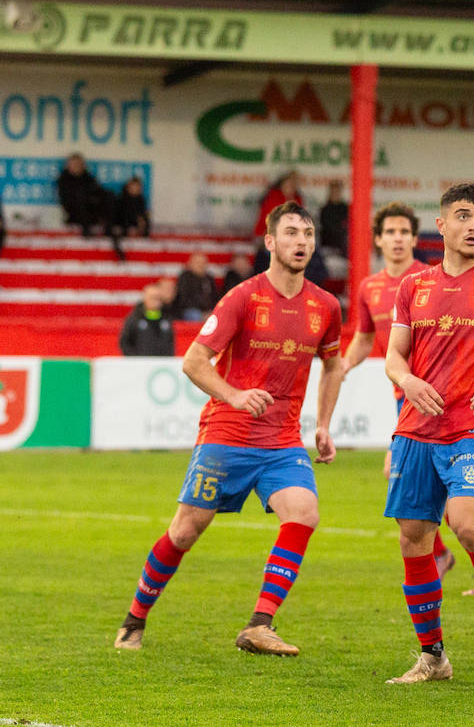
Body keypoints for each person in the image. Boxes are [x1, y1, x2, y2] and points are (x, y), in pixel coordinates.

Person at [113, 202, 344, 655]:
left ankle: (260, 623)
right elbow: (193, 361)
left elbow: (334, 364)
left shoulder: (325, 305)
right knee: (184, 532)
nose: (302, 242)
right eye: (292, 233)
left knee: (304, 512)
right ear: (270, 242)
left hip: (280, 441)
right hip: (227, 435)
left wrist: (324, 424)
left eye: (308, 234)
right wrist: (235, 395)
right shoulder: (243, 296)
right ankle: (134, 619)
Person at [384, 184, 474, 682]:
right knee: (414, 538)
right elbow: (393, 357)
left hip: (471, 427)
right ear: (442, 225)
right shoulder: (413, 287)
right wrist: (407, 380)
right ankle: (433, 657)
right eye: (463, 216)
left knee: (468, 526)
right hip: (414, 430)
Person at [339, 202, 462, 581]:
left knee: (413, 481)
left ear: (413, 238)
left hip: (433, 398)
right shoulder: (369, 287)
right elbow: (363, 339)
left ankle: (457, 557)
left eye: (404, 232)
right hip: (403, 397)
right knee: (411, 483)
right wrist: (341, 367)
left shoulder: (430, 280)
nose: (397, 238)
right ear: (378, 239)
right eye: (390, 232)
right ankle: (445, 555)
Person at [57, 153, 122, 258]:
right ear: (68, 166)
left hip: (92, 212)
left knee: (109, 195)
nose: (77, 167)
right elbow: (66, 202)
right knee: (80, 197)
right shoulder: (63, 180)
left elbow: (98, 192)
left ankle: (108, 228)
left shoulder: (88, 177)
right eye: (74, 164)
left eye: (79, 164)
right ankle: (87, 231)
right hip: (75, 214)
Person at [119, 284, 176, 356]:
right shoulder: (135, 318)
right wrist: (133, 359)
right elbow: (125, 342)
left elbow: (171, 343)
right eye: (152, 298)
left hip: (161, 363)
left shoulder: (166, 318)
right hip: (140, 363)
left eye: (158, 298)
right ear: (145, 298)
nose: (155, 301)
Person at [254, 171, 305, 237]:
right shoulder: (273, 197)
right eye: (289, 183)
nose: (292, 186)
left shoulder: (298, 199)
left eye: (294, 183)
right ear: (282, 184)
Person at [171, 253, 218, 322]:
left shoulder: (209, 278)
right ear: (190, 264)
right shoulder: (185, 277)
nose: (200, 265)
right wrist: (203, 312)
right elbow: (183, 299)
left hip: (208, 311)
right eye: (197, 262)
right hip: (189, 310)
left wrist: (211, 310)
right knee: (195, 315)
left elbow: (215, 297)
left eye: (203, 263)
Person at [318, 180, 349, 252]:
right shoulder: (325, 209)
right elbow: (328, 227)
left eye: (337, 191)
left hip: (343, 240)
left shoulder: (346, 208)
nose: (336, 194)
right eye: (334, 191)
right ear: (330, 193)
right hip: (330, 241)